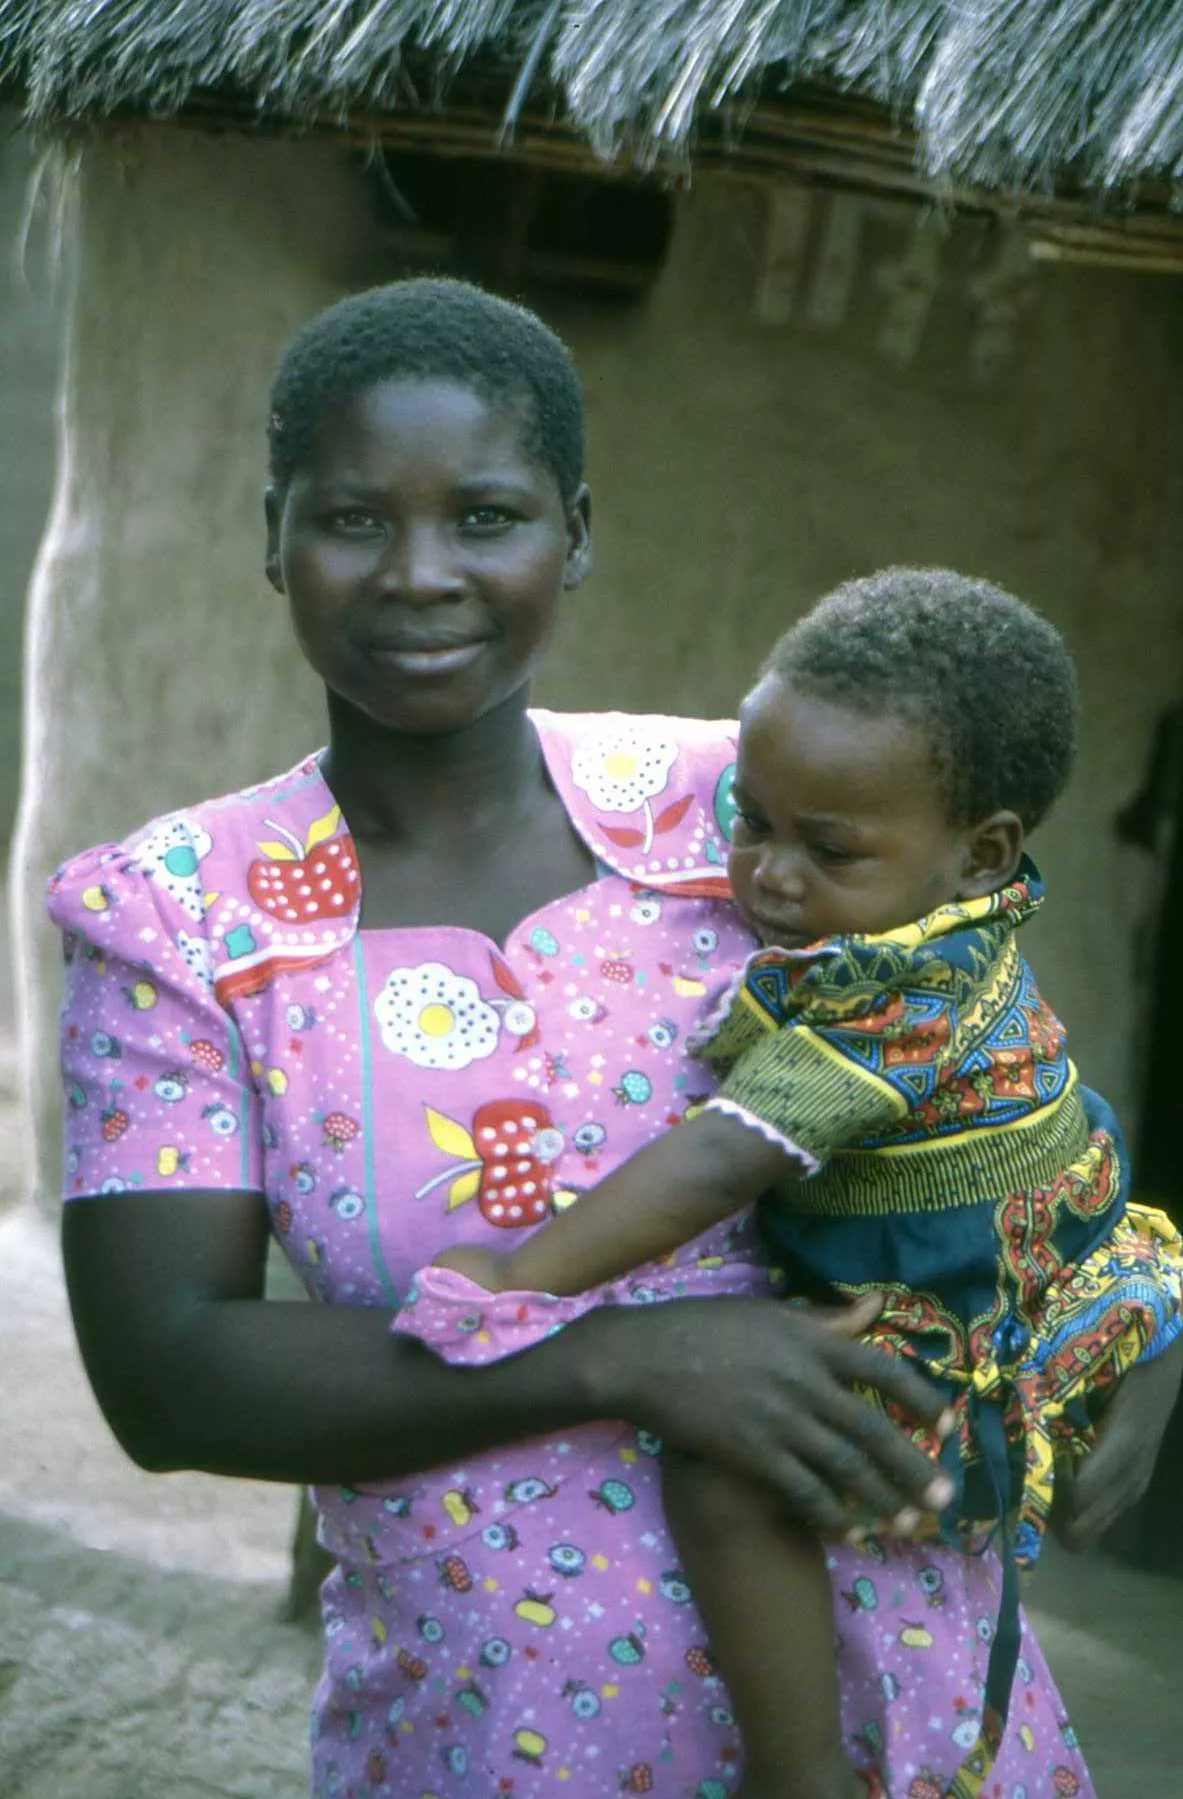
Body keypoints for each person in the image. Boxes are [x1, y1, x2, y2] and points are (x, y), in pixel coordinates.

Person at [46, 279, 1180, 1799]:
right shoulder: (180, 917)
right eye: (353, 517)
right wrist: (631, 1356)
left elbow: (991, 1067)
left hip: (907, 1709)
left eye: (490, 516)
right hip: (494, 1728)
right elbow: (167, 1373)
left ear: (574, 531)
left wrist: (1139, 1310)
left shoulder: (749, 810)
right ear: (271, 531)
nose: (421, 572)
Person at [426, 568, 1183, 1798]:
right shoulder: (943, 926)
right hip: (1067, 1249)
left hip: (964, 1326)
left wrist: (522, 1273)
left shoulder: (892, 1001)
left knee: (722, 1464)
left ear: (980, 849)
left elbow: (727, 1150)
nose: (769, 873)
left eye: (825, 846)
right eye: (751, 817)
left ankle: (799, 1769)